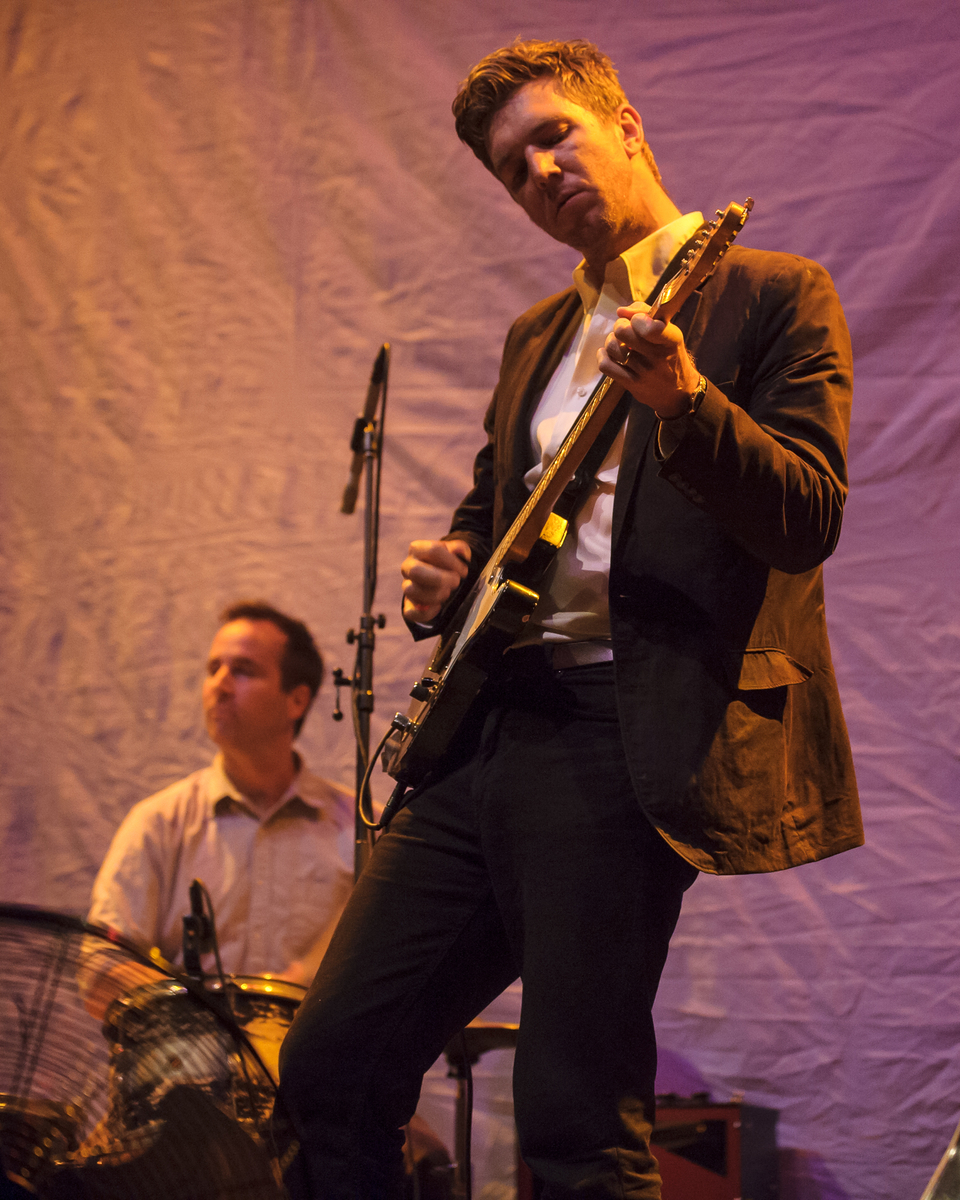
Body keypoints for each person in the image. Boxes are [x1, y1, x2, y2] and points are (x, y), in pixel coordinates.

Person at [277, 38, 863, 1200]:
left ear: (628, 126)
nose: (540, 171)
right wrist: (445, 578)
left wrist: (686, 400)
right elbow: (496, 515)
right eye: (513, 168)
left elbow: (806, 515)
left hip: (619, 731)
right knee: (329, 1063)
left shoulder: (770, 292)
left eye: (555, 136)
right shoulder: (538, 336)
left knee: (571, 1114)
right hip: (487, 729)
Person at [87, 600, 352, 998]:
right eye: (214, 669)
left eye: (243, 671)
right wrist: (209, 1023)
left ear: (296, 700)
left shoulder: (363, 829)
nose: (219, 686)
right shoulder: (158, 822)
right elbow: (101, 969)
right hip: (184, 1058)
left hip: (312, 1059)